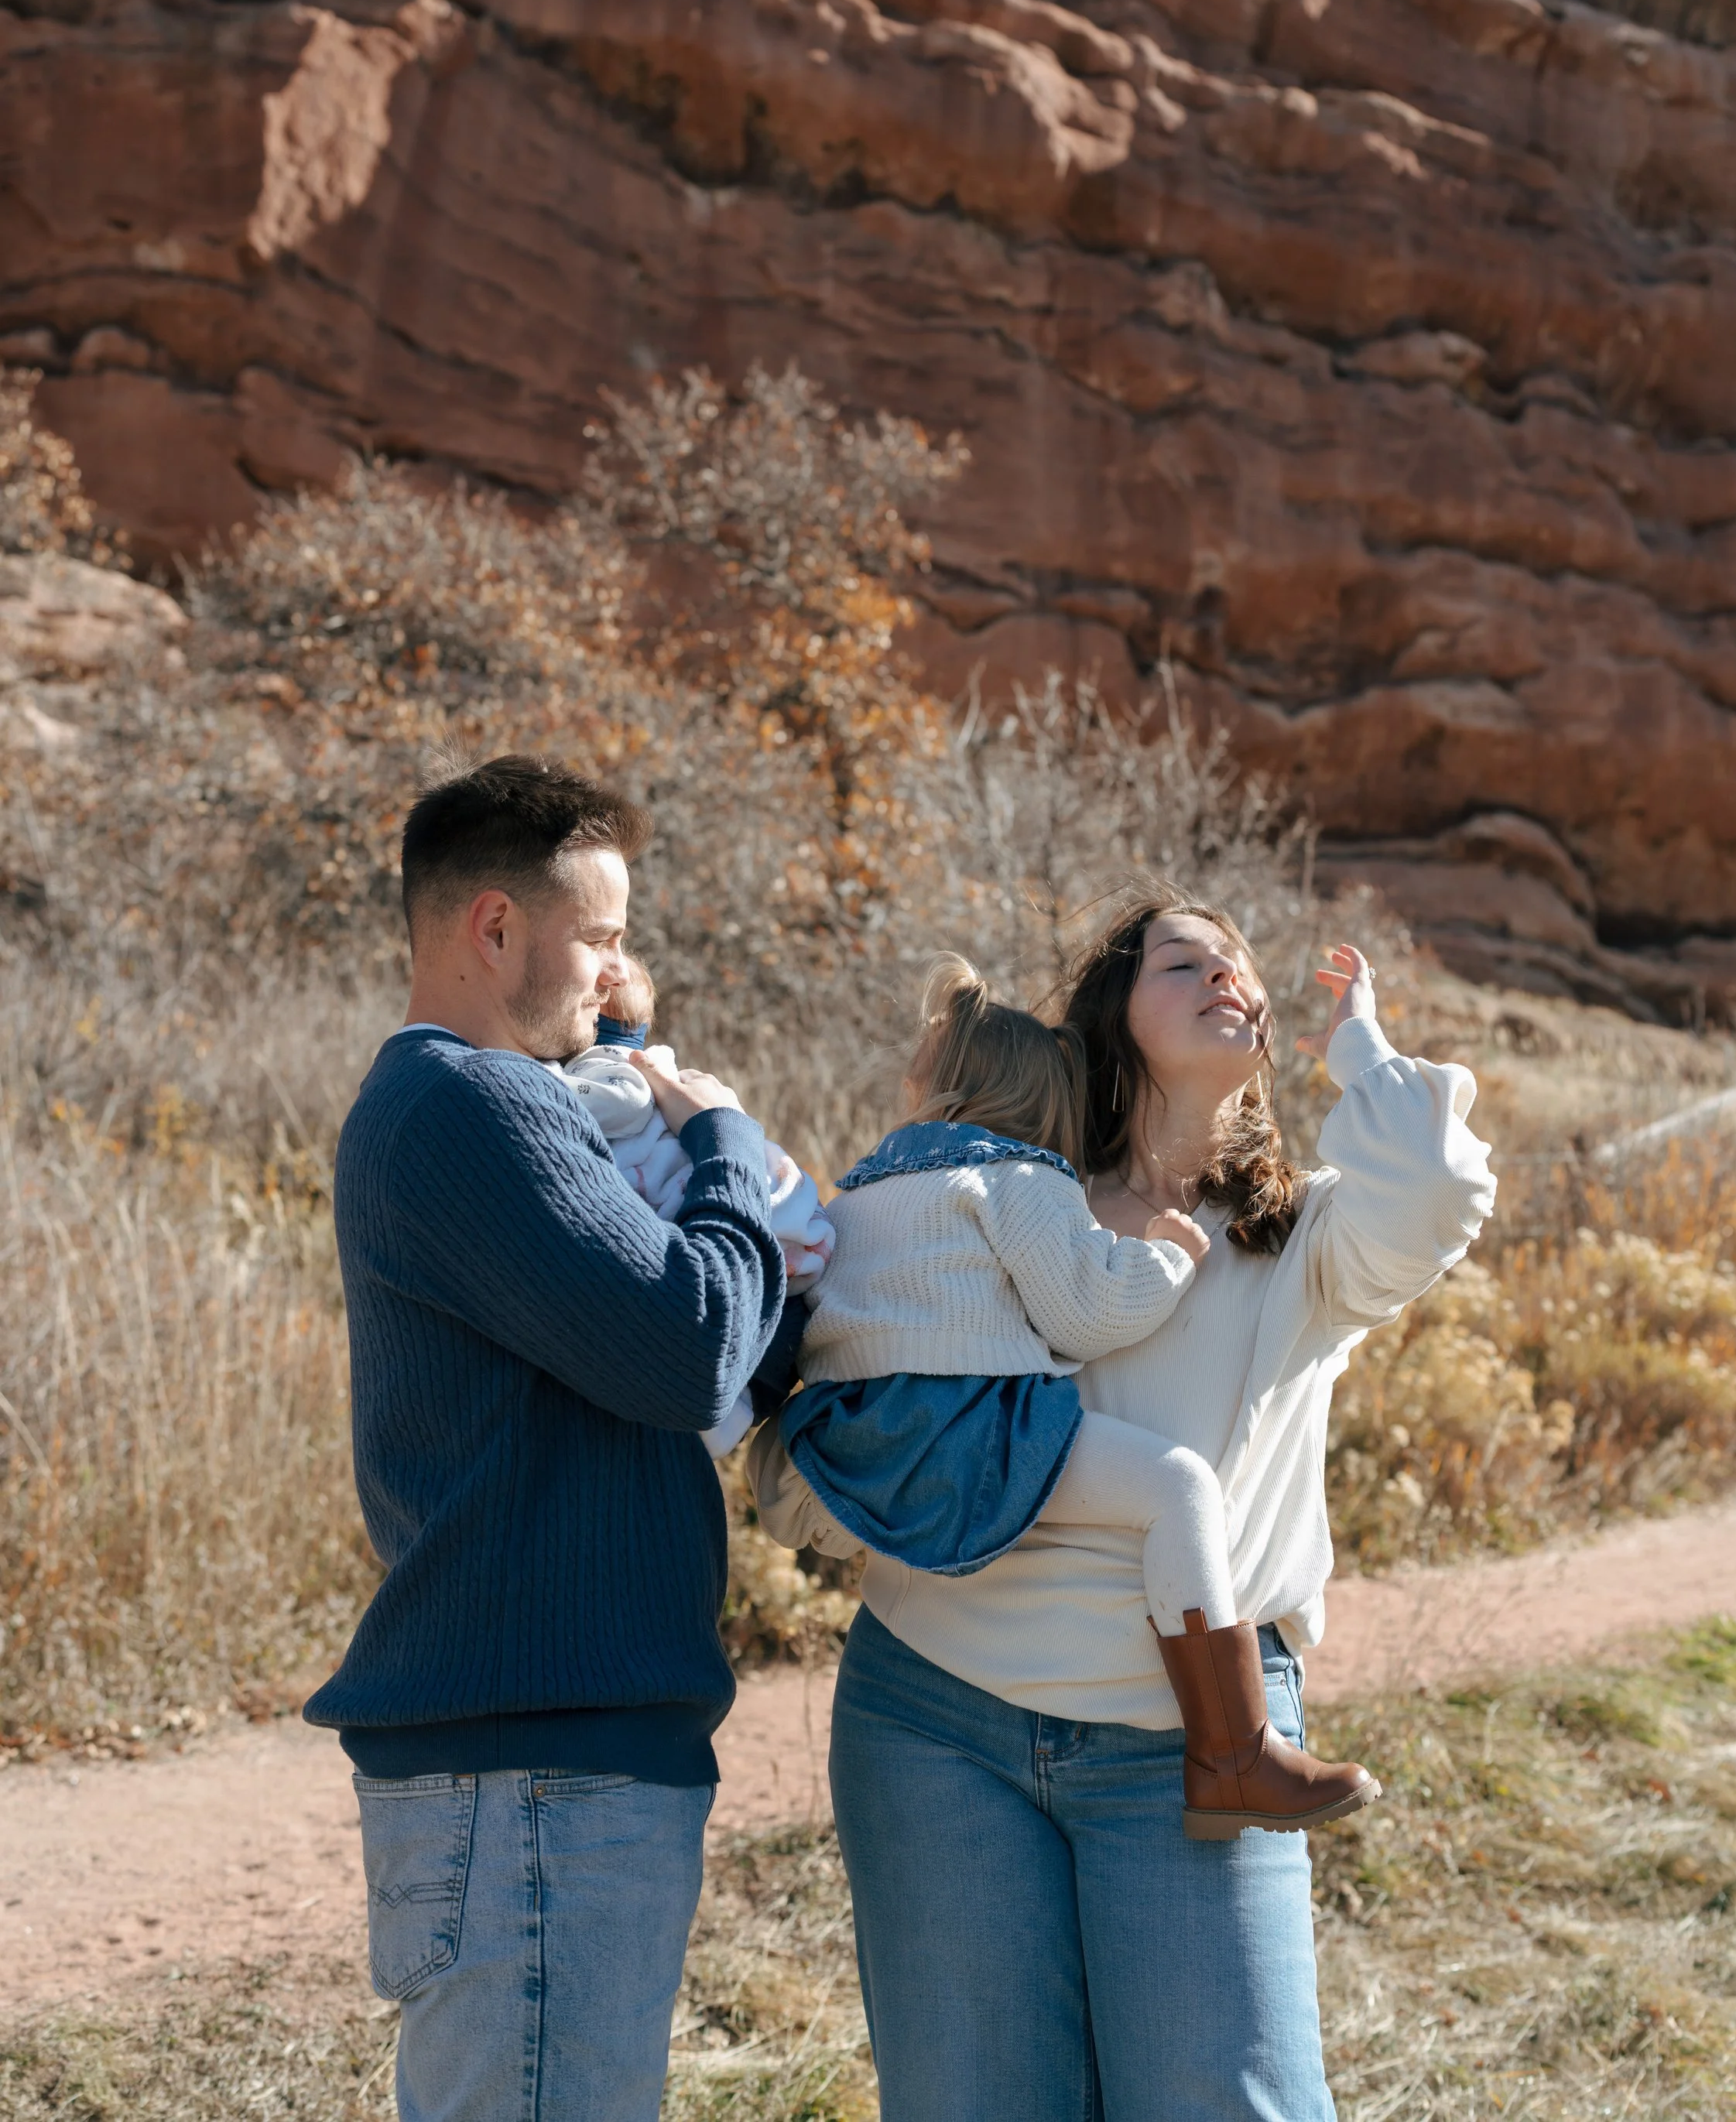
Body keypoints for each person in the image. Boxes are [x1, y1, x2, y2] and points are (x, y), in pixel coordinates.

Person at [754, 892, 1495, 2122]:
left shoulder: (1302, 1235)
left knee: (1233, 2102)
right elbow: (860, 1364)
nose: (1227, 976)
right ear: (1114, 1011)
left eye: (1241, 965)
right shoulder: (996, 1187)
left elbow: (1435, 1190)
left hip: (1190, 1755)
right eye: (1182, 958)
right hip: (936, 1722)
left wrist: (1358, 1049)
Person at [305, 755, 791, 2122]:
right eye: (602, 937)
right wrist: (729, 1150)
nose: (618, 974)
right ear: (496, 928)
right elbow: (692, 1341)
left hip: (544, 1764)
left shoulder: (482, 1103)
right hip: (536, 1778)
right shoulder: (470, 1102)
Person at [768, 955, 1378, 1832]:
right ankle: (1233, 1750)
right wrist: (1169, 1259)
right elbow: (1085, 1314)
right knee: (1179, 1488)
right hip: (976, 1427)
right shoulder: (1020, 1182)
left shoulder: (862, 1191)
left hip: (853, 1432)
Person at [558, 955, 835, 1456]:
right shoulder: (660, 1073)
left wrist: (542, 1083)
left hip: (683, 1218)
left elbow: (616, 1102)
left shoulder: (613, 1071)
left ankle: (715, 1425)